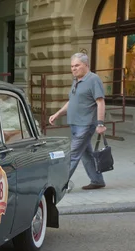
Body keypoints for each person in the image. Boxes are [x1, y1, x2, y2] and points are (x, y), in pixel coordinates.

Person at [49, 52, 107, 190]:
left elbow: (100, 102)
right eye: (72, 66)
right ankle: (97, 180)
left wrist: (100, 123)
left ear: (86, 65)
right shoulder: (76, 80)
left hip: (86, 124)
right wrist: (57, 114)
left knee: (73, 155)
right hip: (75, 124)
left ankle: (59, 185)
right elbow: (72, 101)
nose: (73, 69)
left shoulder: (93, 79)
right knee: (86, 154)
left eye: (77, 65)